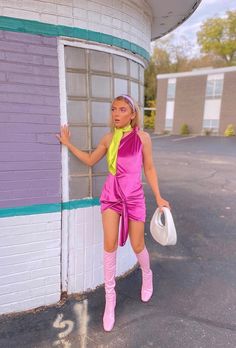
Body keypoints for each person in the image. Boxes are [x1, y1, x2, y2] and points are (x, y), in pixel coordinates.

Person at [56, 95, 170, 332]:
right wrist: (68, 144)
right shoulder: (109, 138)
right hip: (111, 196)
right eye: (113, 109)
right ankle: (110, 300)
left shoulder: (142, 138)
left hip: (134, 196)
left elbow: (148, 168)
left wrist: (159, 196)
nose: (116, 114)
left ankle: (147, 274)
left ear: (132, 114)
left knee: (138, 245)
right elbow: (89, 160)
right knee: (109, 245)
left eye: (122, 109)